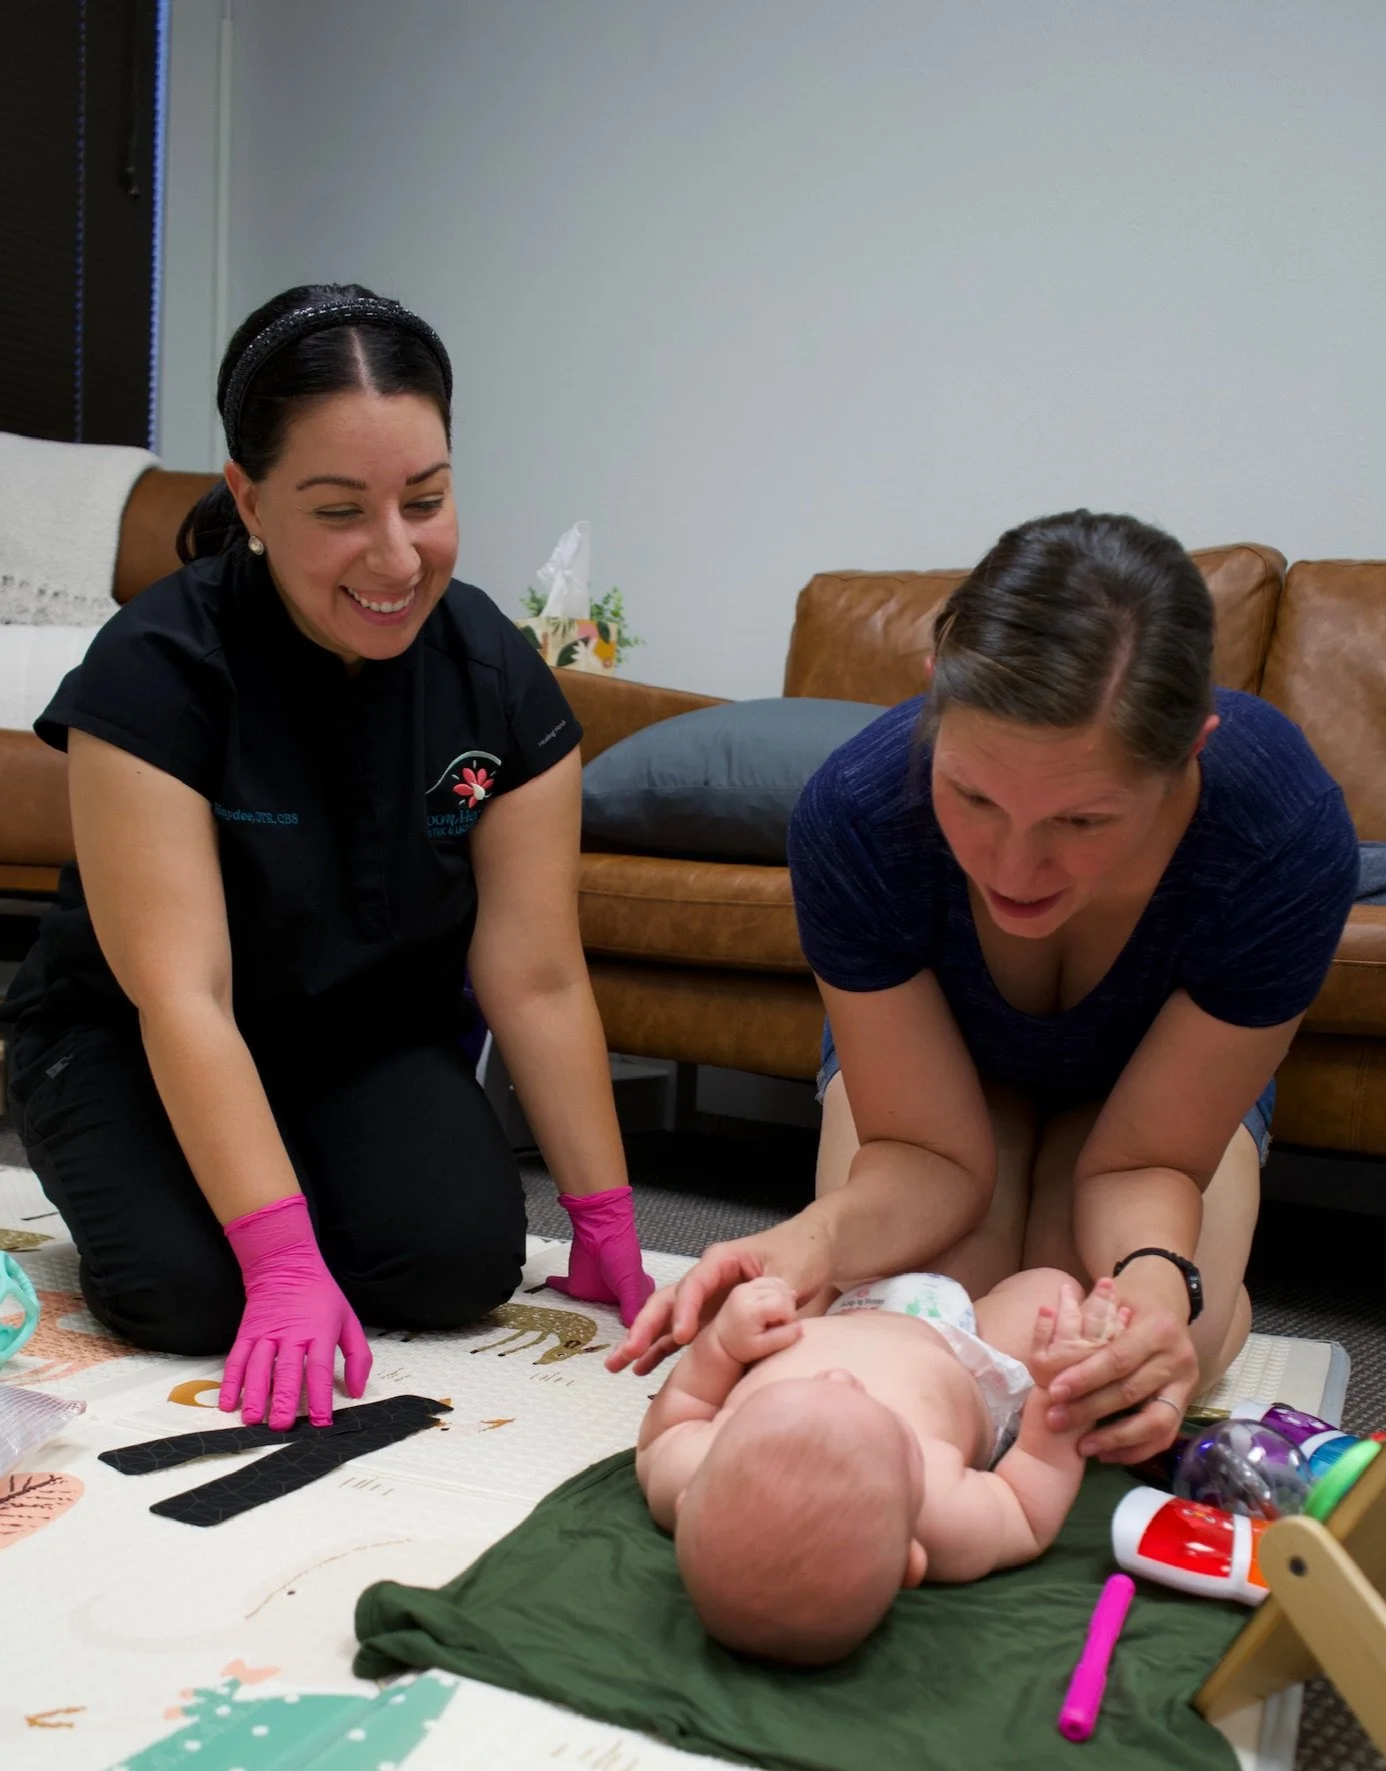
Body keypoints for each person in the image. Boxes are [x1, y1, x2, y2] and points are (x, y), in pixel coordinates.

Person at [5, 283, 652, 1431]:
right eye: (341, 510)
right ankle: (234, 1205)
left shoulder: (494, 677)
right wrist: (282, 1260)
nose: (395, 556)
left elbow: (538, 973)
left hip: (350, 1037)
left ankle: (287, 1185)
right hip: (131, 1034)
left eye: (428, 499)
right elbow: (184, 995)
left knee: (454, 1265)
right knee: (192, 1294)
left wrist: (606, 1223)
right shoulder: (157, 672)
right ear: (250, 501)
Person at [614, 510, 1358, 1465]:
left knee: (1100, 1359)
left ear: (1192, 749)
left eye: (1083, 819)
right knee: (917, 1320)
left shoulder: (1281, 836)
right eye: (972, 795)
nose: (1014, 864)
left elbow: (1145, 1165)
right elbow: (924, 1152)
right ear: (933, 698)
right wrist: (814, 1239)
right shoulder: (858, 812)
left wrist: (1165, 1292)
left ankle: (1221, 1312)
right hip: (934, 1108)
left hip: (1151, 1121)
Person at [634, 1266, 1124, 1664]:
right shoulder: (940, 1512)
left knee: (798, 1273)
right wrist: (1058, 1394)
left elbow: (684, 1405)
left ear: (688, 1501)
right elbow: (1029, 1502)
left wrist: (721, 1344)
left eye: (810, 1385)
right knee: (1048, 1285)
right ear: (914, 1559)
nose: (839, 1377)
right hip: (962, 1347)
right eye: (875, 1409)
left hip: (829, 1312)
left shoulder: (690, 1466)